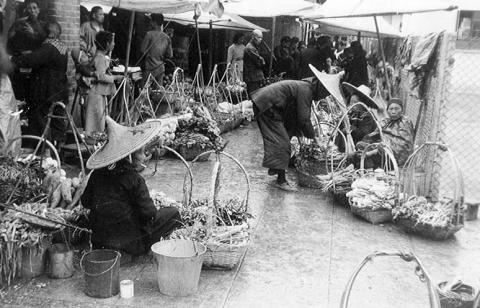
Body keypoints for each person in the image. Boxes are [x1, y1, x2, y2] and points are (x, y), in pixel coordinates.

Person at [81, 116, 182, 256]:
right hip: (131, 244)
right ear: (130, 156)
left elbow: (85, 202)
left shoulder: (97, 174)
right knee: (173, 213)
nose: (144, 156)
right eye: (141, 153)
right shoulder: (134, 179)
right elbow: (149, 213)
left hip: (100, 240)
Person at [251, 66, 324, 192]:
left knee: (285, 135)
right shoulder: (306, 90)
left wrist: (302, 132)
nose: (323, 96)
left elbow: (297, 117)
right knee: (282, 143)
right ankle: (281, 180)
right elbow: (303, 118)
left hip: (269, 104)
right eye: (324, 93)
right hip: (267, 105)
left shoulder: (304, 87)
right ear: (319, 87)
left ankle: (276, 167)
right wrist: (314, 136)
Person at [12, 21, 68, 149]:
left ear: (50, 34)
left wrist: (13, 59)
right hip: (58, 87)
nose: (39, 34)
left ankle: (43, 151)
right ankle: (57, 151)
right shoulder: (61, 46)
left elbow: (32, 60)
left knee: (40, 118)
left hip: (46, 89)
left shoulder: (49, 47)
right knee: (56, 119)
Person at [84, 31, 122, 142]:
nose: (114, 44)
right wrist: (115, 78)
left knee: (98, 118)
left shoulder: (101, 56)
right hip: (96, 92)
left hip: (99, 92)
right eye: (112, 42)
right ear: (106, 44)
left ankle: (94, 140)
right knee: (96, 118)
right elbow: (100, 76)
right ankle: (94, 142)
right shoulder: (101, 58)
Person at [7, 0, 46, 102]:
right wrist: (19, 52)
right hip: (21, 61)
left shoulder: (43, 25)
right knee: (20, 92)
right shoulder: (19, 23)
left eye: (34, 8)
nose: (32, 11)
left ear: (39, 10)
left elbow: (45, 44)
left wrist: (33, 34)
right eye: (29, 8)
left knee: (34, 93)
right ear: (26, 10)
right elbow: (11, 41)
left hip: (36, 64)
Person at [359, 98, 414, 167]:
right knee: (360, 145)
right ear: (387, 110)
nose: (393, 112)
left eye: (397, 109)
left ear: (402, 110)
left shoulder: (405, 122)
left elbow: (403, 145)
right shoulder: (385, 122)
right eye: (391, 109)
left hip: (395, 157)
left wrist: (376, 150)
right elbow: (372, 136)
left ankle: (367, 162)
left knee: (361, 157)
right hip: (382, 151)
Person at [140, 13, 172, 86]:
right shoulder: (167, 37)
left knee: (144, 92)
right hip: (160, 69)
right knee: (157, 93)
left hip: (149, 68)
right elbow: (170, 55)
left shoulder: (149, 34)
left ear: (154, 23)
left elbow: (142, 50)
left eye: (151, 21)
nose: (150, 23)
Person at [243, 29, 265, 96]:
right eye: (258, 37)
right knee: (254, 97)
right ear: (253, 37)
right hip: (253, 77)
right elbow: (261, 62)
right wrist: (262, 59)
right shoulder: (250, 48)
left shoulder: (254, 47)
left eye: (261, 38)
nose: (260, 39)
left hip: (255, 77)